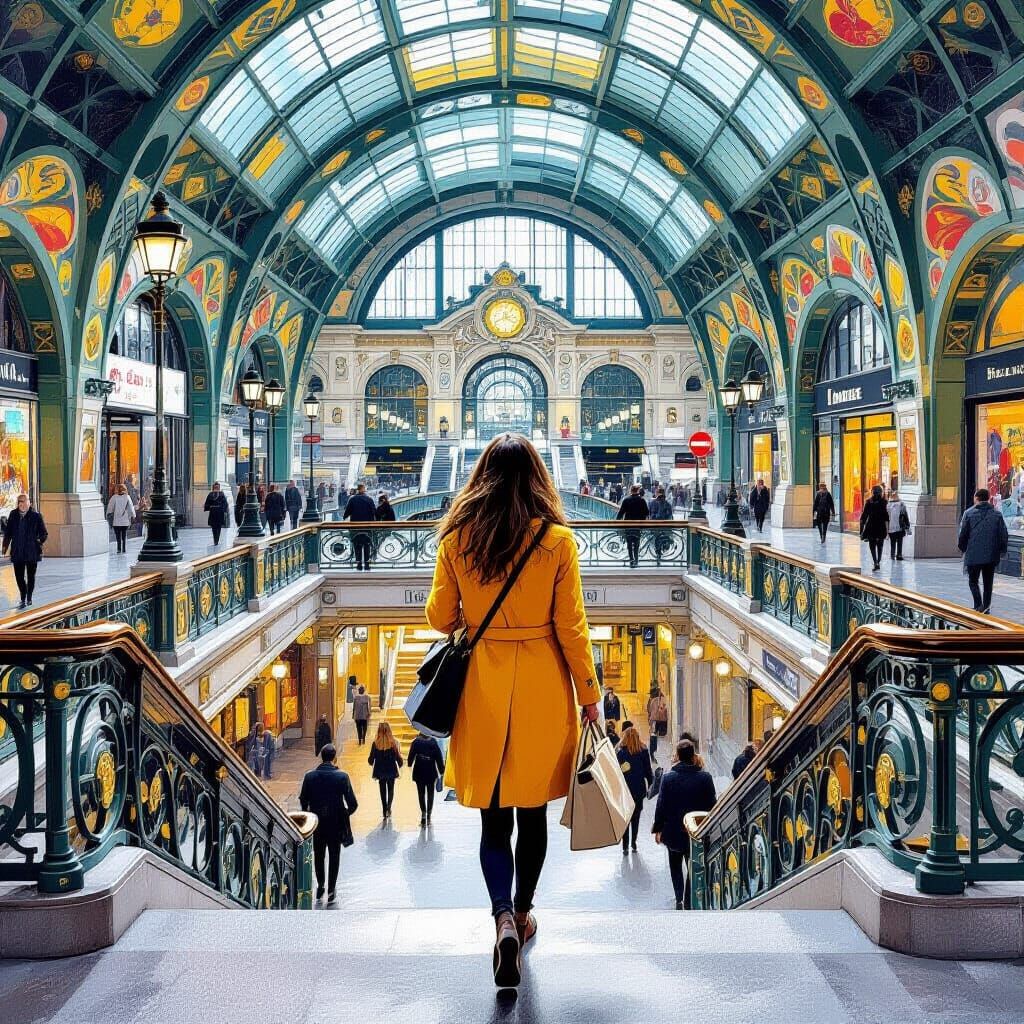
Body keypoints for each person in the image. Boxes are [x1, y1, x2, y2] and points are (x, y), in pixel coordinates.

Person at [425, 432, 600, 989]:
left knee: (493, 819)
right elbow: (572, 628)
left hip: (482, 685)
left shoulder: (456, 539)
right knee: (533, 816)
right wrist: (590, 695)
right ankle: (523, 914)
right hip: (544, 686)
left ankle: (500, 914)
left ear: (480, 478)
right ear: (538, 478)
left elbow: (438, 617)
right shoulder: (557, 542)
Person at [652, 739, 717, 909]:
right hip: (696, 830)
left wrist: (658, 829)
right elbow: (712, 805)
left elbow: (662, 805)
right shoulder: (705, 777)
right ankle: (689, 898)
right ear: (693, 755)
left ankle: (679, 897)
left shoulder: (668, 778)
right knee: (693, 863)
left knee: (675, 864)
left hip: (673, 831)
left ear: (678, 756)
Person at [299, 743, 358, 904]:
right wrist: (344, 814)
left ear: (322, 757)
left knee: (318, 855)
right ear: (334, 757)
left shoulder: (309, 776)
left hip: (317, 823)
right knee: (334, 855)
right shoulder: (342, 777)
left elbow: (303, 800)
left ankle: (320, 885)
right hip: (335, 823)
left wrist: (309, 815)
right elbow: (353, 803)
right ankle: (331, 889)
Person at [958, 488, 1009, 613]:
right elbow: (1003, 534)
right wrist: (1002, 549)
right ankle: (985, 607)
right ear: (988, 498)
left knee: (973, 581)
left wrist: (962, 547)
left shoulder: (968, 513)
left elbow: (963, 534)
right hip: (991, 555)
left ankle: (978, 604)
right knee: (988, 583)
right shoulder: (997, 514)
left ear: (976, 498)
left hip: (973, 554)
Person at [2, 493, 47, 609]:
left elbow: (44, 533)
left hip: (32, 552)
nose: (21, 504)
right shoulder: (13, 515)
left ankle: (28, 597)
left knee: (31, 576)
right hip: (17, 551)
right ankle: (23, 594)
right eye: (19, 502)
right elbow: (8, 533)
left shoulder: (36, 516)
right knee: (19, 577)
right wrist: (4, 547)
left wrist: (39, 541)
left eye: (23, 501)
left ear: (29, 503)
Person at [617, 725, 654, 854]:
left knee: (626, 818)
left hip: (625, 791)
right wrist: (651, 785)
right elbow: (648, 772)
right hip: (639, 790)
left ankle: (625, 846)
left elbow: (617, 773)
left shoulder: (620, 752)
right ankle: (634, 842)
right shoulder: (643, 751)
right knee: (636, 817)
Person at [408, 729, 446, 826]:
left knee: (421, 793)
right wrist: (441, 771)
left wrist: (410, 763)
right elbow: (439, 757)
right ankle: (429, 814)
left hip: (419, 771)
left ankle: (423, 813)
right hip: (431, 771)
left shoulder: (416, 742)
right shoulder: (433, 742)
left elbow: (410, 759)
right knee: (430, 793)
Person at [367, 721, 403, 818]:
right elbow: (398, 759)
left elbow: (370, 761)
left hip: (380, 771)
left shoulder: (375, 744)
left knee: (382, 790)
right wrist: (399, 764)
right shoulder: (394, 743)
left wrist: (373, 760)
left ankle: (383, 810)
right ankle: (389, 808)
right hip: (391, 770)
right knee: (391, 790)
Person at [343, 483, 377, 571]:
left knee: (356, 545)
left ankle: (358, 564)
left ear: (357, 490)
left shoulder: (352, 499)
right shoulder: (369, 499)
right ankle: (367, 564)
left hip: (355, 526)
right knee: (367, 545)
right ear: (364, 489)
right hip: (367, 526)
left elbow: (347, 512)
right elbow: (374, 512)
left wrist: (345, 517)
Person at [616, 484, 650, 568]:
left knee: (629, 543)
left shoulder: (626, 500)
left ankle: (631, 561)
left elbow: (621, 513)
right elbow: (647, 513)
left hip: (628, 525)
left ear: (631, 491)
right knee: (637, 543)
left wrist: (616, 522)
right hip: (638, 525)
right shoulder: (642, 500)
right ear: (638, 491)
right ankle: (636, 560)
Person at [859, 484, 889, 572]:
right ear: (881, 492)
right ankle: (878, 561)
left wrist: (862, 527)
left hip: (871, 526)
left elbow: (864, 515)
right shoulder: (884, 502)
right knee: (880, 545)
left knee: (872, 545)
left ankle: (875, 561)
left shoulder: (869, 501)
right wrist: (888, 528)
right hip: (881, 526)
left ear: (872, 492)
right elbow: (886, 516)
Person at [107, 483, 135, 554]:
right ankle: (124, 548)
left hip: (116, 520)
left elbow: (110, 508)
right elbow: (131, 508)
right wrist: (133, 515)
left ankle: (119, 549)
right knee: (124, 535)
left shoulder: (114, 497)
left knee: (118, 536)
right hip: (125, 520)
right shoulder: (127, 497)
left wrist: (108, 514)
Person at [887, 490, 910, 562]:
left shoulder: (887, 505)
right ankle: (899, 555)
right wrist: (907, 525)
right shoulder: (902, 504)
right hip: (900, 526)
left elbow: (886, 517)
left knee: (892, 542)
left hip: (891, 527)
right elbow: (905, 516)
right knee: (900, 541)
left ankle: (892, 555)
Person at [647, 686, 668, 759]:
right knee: (662, 737)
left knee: (653, 737)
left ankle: (653, 754)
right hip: (663, 721)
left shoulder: (652, 700)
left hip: (654, 721)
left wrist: (650, 721)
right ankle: (659, 754)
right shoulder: (663, 699)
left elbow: (649, 711)